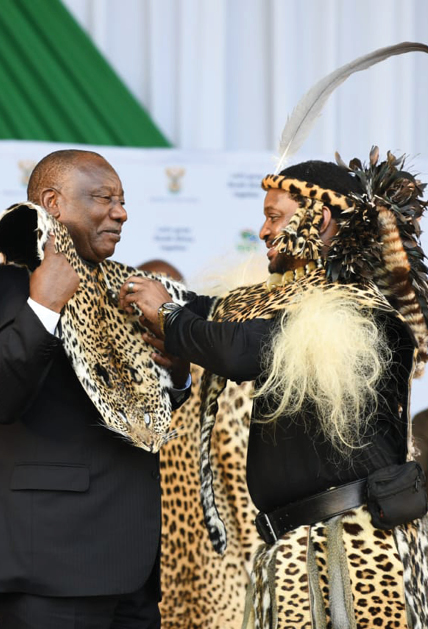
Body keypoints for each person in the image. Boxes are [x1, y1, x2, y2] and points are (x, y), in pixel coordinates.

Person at [119, 150, 428, 628]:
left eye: (273, 217)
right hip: (296, 551)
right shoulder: (293, 298)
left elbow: (245, 348)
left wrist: (171, 316)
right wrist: (137, 293)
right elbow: (220, 312)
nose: (263, 232)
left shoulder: (360, 304)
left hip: (353, 552)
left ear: (318, 217)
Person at [0, 149, 189, 629]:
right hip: (51, 571)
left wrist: (178, 372)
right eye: (104, 198)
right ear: (53, 203)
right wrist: (43, 306)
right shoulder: (8, 281)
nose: (121, 212)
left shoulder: (124, 289)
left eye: (122, 201)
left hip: (136, 572)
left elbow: (146, 419)